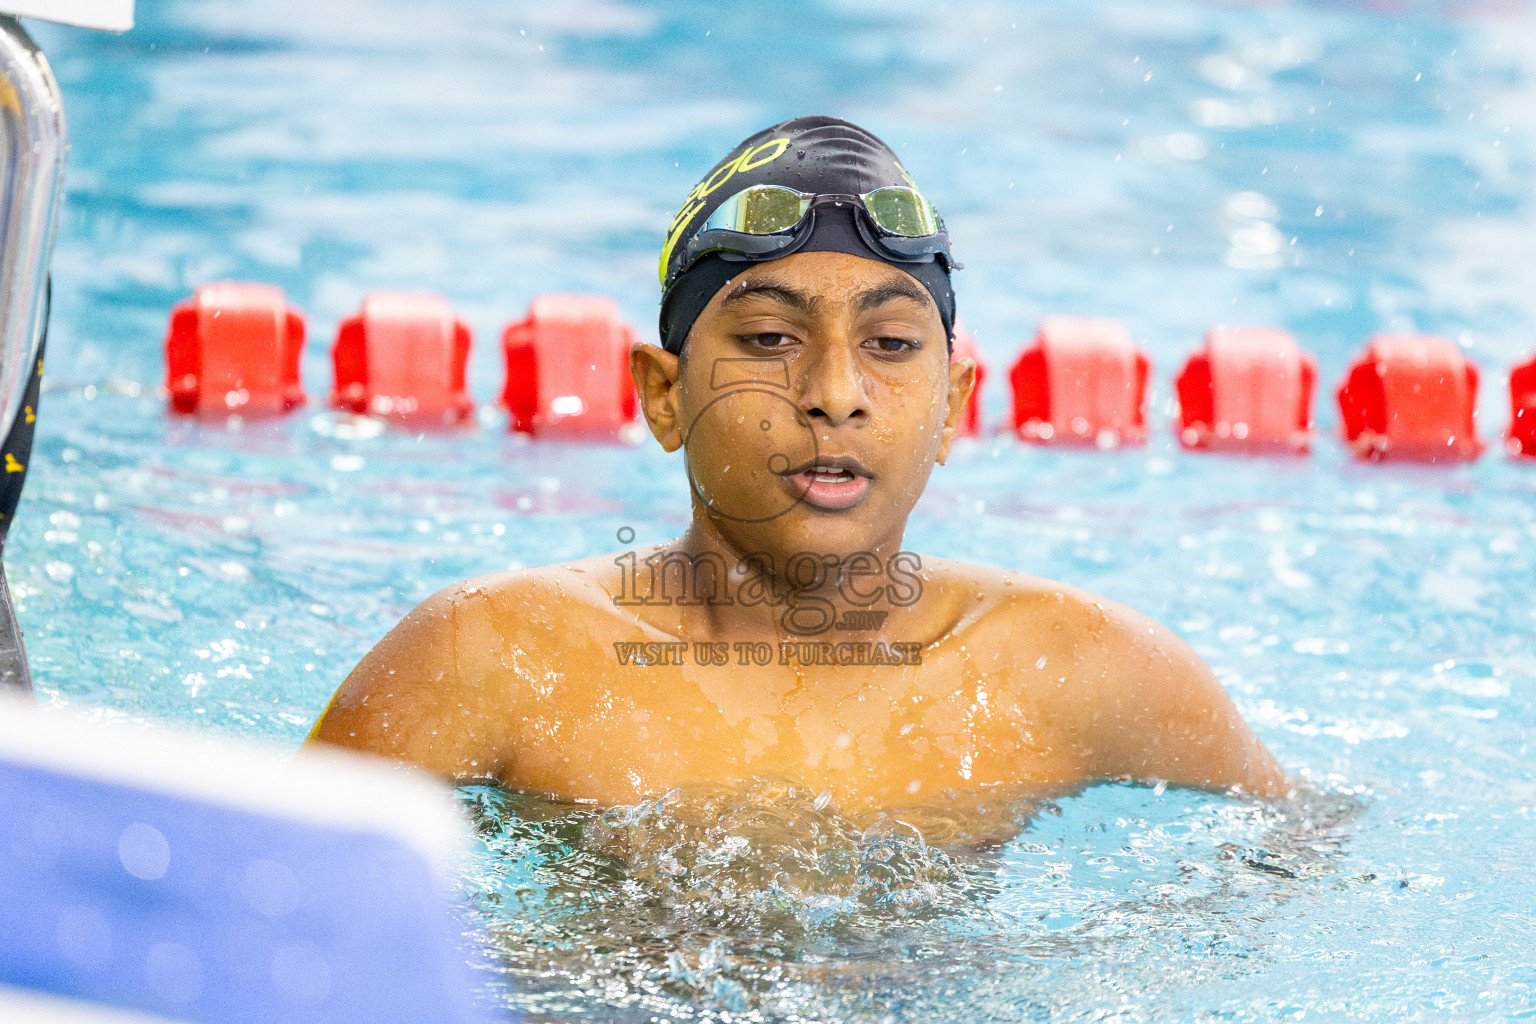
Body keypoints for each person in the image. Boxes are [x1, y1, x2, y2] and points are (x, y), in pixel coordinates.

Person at [307, 116, 1290, 814]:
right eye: (771, 337)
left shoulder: (1078, 665)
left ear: (953, 406)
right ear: (663, 394)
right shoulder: (496, 655)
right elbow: (264, 909)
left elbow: (1299, 860)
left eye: (893, 345)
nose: (834, 391)